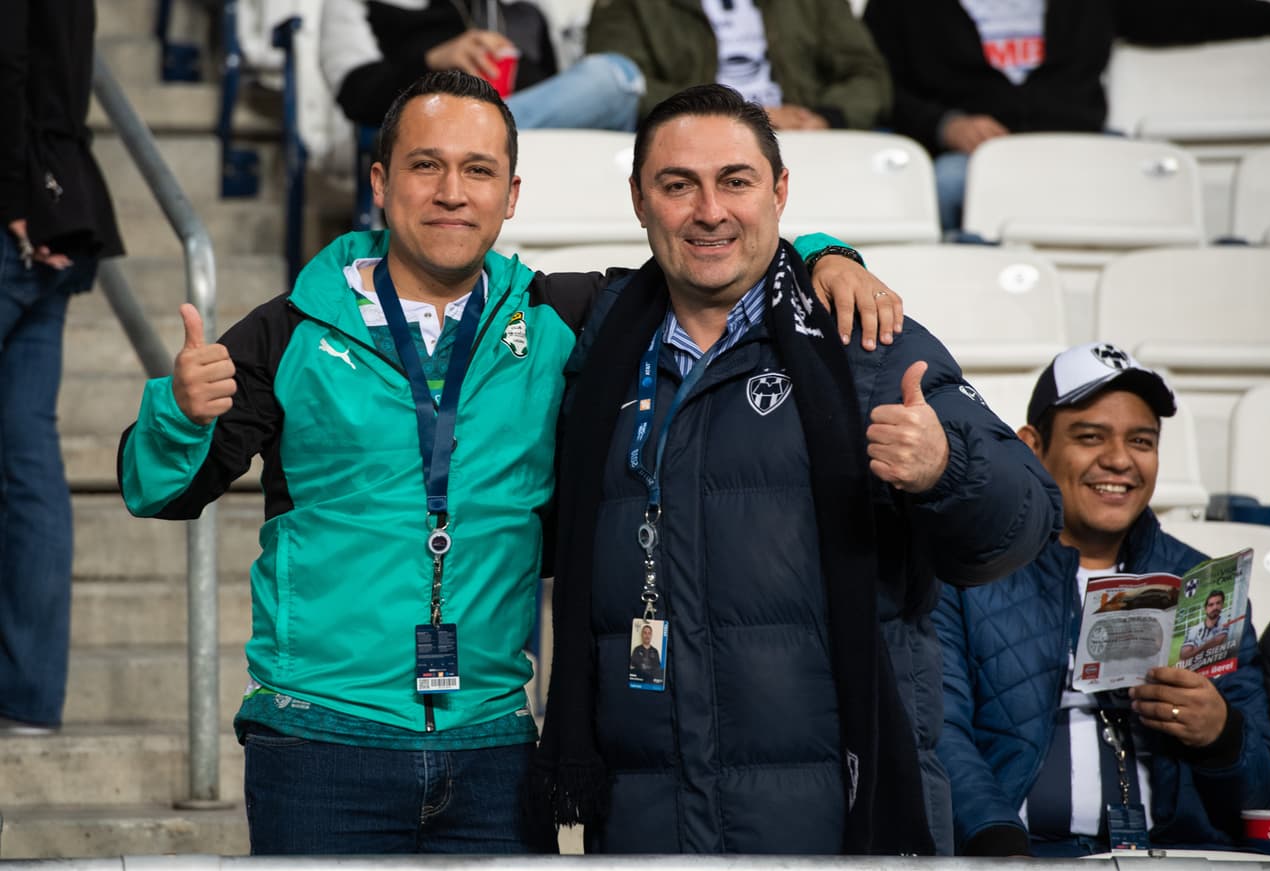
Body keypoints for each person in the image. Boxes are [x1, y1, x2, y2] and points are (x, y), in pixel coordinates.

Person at [116, 70, 898, 854]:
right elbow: (159, 491)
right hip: (320, 741)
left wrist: (824, 256)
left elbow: (709, 254)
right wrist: (179, 413)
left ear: (511, 193)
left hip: (494, 747)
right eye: (426, 166)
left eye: (478, 170)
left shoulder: (563, 315)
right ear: (381, 183)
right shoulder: (291, 331)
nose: (453, 191)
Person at [533, 83, 1061, 855]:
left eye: (736, 182)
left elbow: (1024, 519)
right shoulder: (596, 341)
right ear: (640, 201)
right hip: (651, 826)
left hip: (840, 826)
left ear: (780, 192)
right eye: (678, 185)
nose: (709, 210)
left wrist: (947, 467)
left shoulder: (867, 340)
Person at [934, 341, 1270, 857]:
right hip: (1025, 856)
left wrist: (1223, 735)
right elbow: (942, 736)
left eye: (1142, 440)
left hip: (1178, 858)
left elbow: (1263, 788)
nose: (1119, 460)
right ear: (1032, 446)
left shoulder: (1205, 583)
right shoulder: (967, 573)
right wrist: (999, 850)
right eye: (1090, 437)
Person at [862, 0, 1270, 232]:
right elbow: (879, 85)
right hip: (972, 160)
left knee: (1157, 174)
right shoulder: (901, 7)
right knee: (944, 184)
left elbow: (1185, 14)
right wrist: (945, 124)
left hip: (1086, 145)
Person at [0, 0, 124, 735]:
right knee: (27, 453)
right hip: (59, 201)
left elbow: (9, 59)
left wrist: (14, 193)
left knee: (27, 456)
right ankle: (29, 697)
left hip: (20, 206)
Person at [321, 0, 644, 131]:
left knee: (609, 82)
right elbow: (356, 93)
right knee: (614, 79)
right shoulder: (363, 5)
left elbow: (557, 96)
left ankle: (476, 136)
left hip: (533, 146)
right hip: (424, 124)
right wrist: (432, 61)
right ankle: (465, 138)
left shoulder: (521, 12)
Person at [585, 0, 891, 131]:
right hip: (688, 135)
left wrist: (823, 118)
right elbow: (625, 86)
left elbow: (868, 75)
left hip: (801, 131)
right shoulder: (630, 4)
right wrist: (729, 112)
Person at [1180, 590, 1230, 665]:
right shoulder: (1194, 630)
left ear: (1222, 605)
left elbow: (1218, 641)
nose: (1215, 607)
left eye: (1218, 603)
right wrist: (1207, 645)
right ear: (1205, 609)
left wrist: (1194, 650)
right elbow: (1184, 656)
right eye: (1211, 605)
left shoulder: (1227, 621)